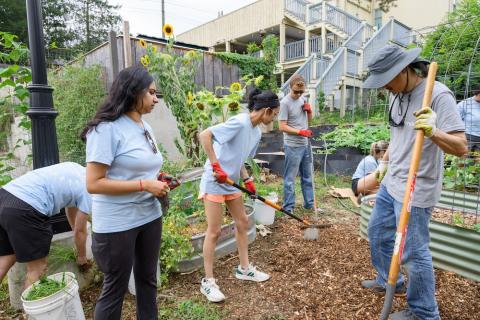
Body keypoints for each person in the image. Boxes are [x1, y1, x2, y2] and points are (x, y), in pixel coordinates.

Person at [362, 45, 467, 320]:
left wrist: (434, 131)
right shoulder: (396, 95)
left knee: (412, 251)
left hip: (416, 186)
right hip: (393, 180)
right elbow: (396, 136)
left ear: (404, 70)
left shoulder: (438, 95)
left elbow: (461, 147)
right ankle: (390, 281)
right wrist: (384, 163)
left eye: (386, 78)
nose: (384, 86)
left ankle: (424, 312)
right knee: (377, 233)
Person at [81, 66, 169, 320]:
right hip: (117, 224)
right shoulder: (106, 129)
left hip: (149, 216)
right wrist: (144, 185)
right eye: (151, 93)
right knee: (115, 290)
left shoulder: (144, 126)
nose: (156, 99)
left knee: (147, 281)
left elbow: (142, 170)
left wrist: (158, 181)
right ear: (133, 92)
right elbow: (94, 183)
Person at [198, 89, 279, 302]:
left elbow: (240, 159)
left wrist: (248, 180)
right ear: (267, 111)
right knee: (214, 231)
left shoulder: (256, 132)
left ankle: (244, 269)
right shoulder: (241, 122)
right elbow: (205, 135)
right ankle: (208, 282)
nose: (275, 120)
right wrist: (216, 166)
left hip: (231, 182)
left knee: (242, 222)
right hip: (215, 180)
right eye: (275, 115)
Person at [0, 162, 91, 288]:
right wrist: (82, 257)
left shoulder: (75, 168)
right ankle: (31, 308)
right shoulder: (90, 188)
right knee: (37, 269)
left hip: (5, 196)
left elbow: (71, 209)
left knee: (6, 259)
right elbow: (80, 231)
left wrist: (74, 230)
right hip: (26, 208)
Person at [278, 75, 314, 213]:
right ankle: (288, 207)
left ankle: (309, 204)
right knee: (290, 178)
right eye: (296, 91)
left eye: (301, 92)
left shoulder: (302, 99)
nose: (298, 94)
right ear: (290, 88)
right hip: (293, 145)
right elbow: (282, 126)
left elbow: (309, 120)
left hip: (305, 144)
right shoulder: (284, 103)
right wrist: (300, 132)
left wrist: (309, 111)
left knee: (308, 176)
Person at [457, 84, 480, 156]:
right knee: (463, 163)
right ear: (477, 93)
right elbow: (456, 120)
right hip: (467, 139)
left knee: (477, 166)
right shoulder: (465, 104)